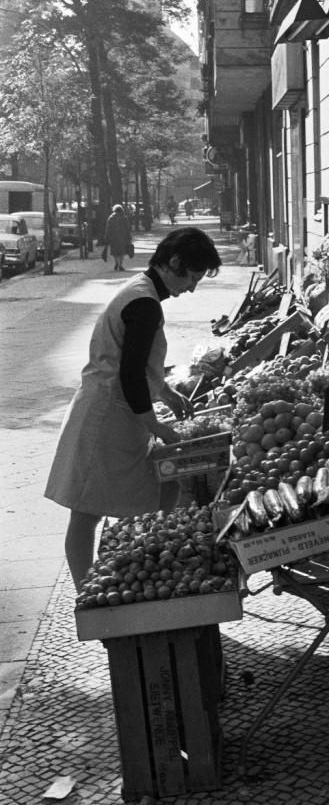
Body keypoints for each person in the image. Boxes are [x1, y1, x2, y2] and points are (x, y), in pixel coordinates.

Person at [44, 227, 222, 591]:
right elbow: (129, 373)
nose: (192, 288)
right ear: (174, 263)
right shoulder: (143, 301)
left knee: (154, 491)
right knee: (85, 511)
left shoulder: (142, 293)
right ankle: (87, 595)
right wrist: (156, 425)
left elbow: (138, 363)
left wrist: (167, 393)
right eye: (192, 276)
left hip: (116, 415)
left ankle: (141, 568)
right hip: (105, 417)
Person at [103, 204, 132, 271]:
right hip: (123, 238)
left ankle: (116, 263)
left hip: (113, 238)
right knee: (122, 252)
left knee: (115, 252)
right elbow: (128, 228)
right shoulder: (124, 218)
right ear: (122, 210)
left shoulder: (110, 218)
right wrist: (129, 237)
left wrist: (106, 237)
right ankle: (120, 265)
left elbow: (108, 229)